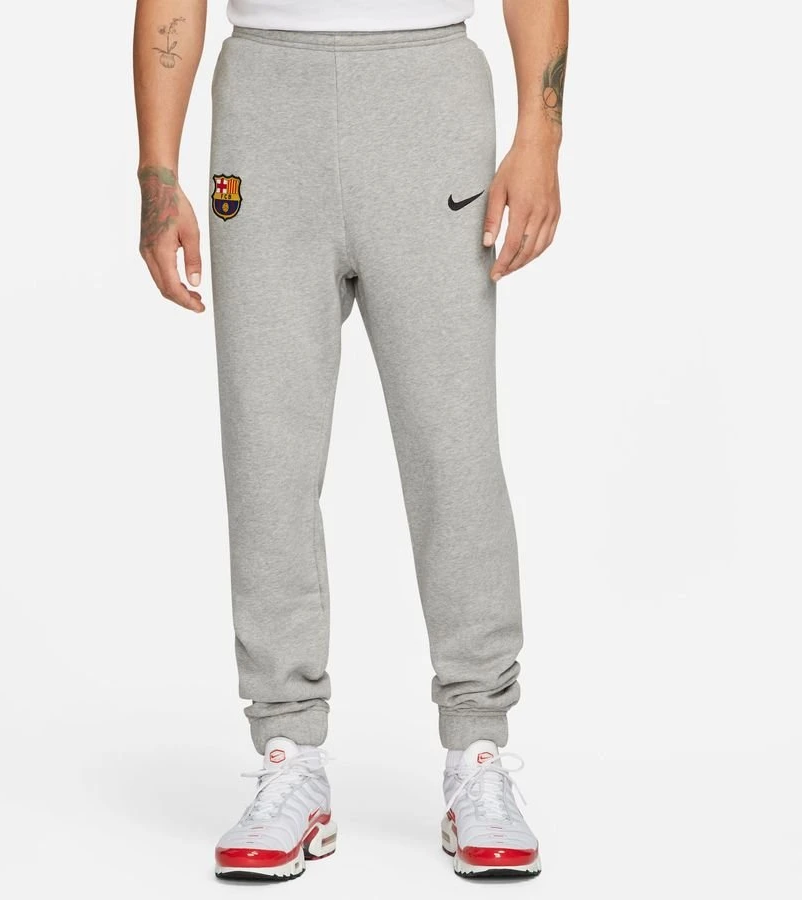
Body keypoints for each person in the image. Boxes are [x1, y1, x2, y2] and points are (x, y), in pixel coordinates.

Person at [133, 0, 567, 881]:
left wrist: (541, 137)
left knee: (453, 445)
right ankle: (289, 753)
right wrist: (157, 173)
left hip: (429, 95)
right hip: (265, 102)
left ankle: (478, 750)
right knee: (267, 449)